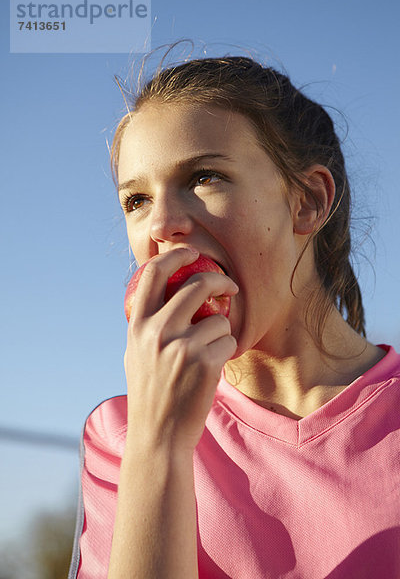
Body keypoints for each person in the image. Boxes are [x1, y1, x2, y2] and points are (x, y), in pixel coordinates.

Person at [68, 45, 400, 579]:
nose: (160, 225)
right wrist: (158, 445)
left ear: (308, 201)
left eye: (204, 177)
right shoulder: (121, 434)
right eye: (136, 200)